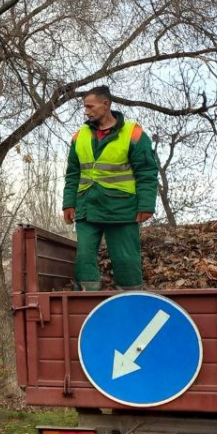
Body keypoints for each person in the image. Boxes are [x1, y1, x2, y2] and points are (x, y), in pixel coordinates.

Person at [62, 86, 159, 291]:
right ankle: (86, 302)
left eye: (90, 106)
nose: (86, 111)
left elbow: (147, 172)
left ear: (106, 104)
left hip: (122, 209)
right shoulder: (79, 137)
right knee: (84, 257)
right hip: (87, 207)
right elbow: (72, 174)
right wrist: (69, 203)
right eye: (84, 107)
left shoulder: (133, 134)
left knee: (126, 259)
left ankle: (132, 299)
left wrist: (146, 205)